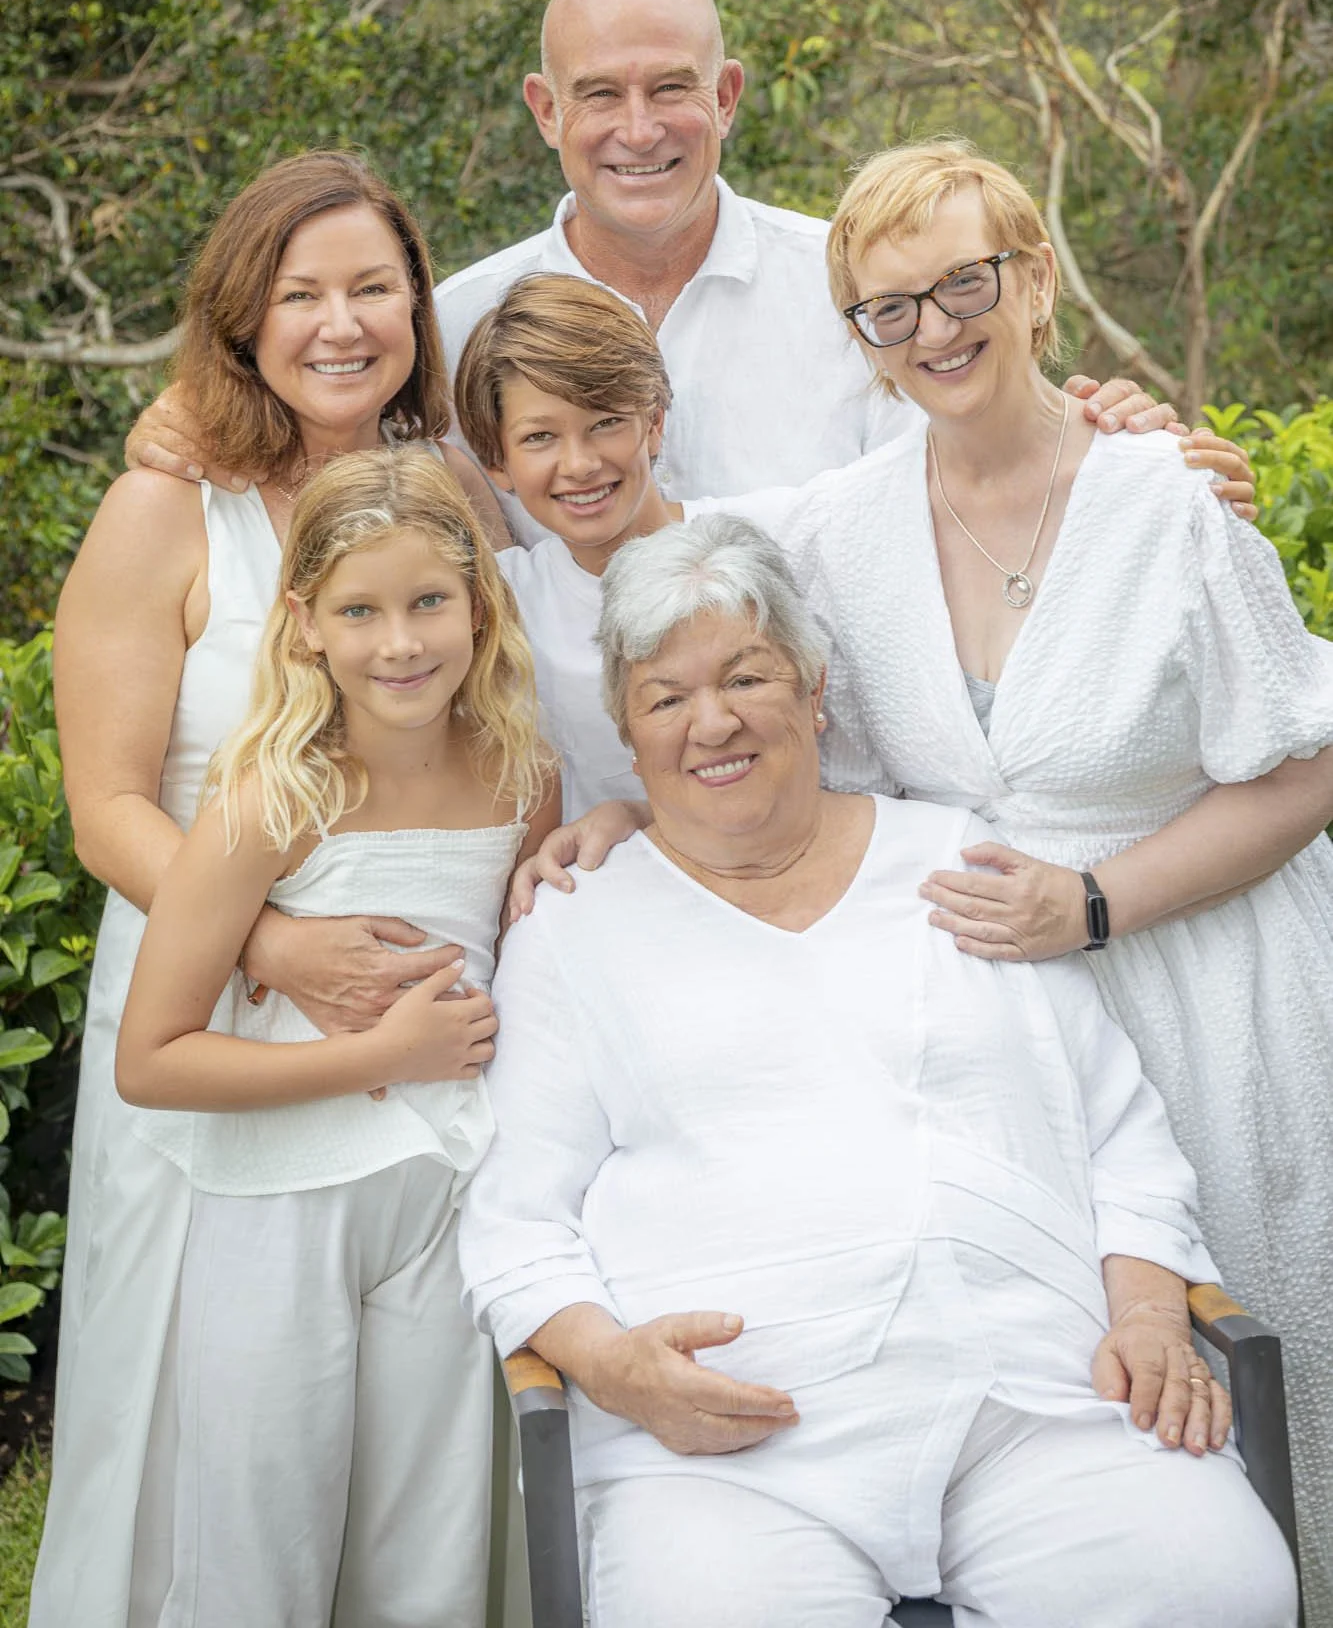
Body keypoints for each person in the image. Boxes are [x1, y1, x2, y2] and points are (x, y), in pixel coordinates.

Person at [530, 139, 1333, 1616]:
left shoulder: (1164, 503)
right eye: (887, 308)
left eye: (963, 285)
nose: (933, 330)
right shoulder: (840, 525)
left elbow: (1305, 766)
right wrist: (635, 816)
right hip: (988, 1013)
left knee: (1247, 1361)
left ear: (1033, 281)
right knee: (1066, 1366)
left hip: (1206, 987)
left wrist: (1095, 904)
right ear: (859, 334)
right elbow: (692, 630)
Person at [459, 516, 1297, 1628]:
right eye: (665, 697)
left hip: (1035, 1395)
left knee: (1222, 1590)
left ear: (814, 691)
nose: (711, 722)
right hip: (726, 1448)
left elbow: (1118, 1129)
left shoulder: (956, 860)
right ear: (625, 726)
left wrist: (1147, 1311)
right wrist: (613, 1366)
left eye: (746, 676)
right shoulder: (575, 927)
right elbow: (515, 1220)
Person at [31, 152, 502, 1628]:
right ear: (243, 321)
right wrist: (274, 941)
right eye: (301, 295)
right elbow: (107, 804)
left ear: (418, 308)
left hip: (417, 1060)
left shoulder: (453, 496)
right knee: (201, 1417)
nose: (340, 324)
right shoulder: (165, 509)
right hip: (207, 1000)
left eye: (373, 288)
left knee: (413, 1453)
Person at [120, 0, 1258, 532]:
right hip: (563, 826)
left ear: (727, 95)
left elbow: (993, 443)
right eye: (597, 94)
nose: (638, 129)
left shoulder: (857, 287)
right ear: (544, 111)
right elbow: (325, 439)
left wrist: (1127, 456)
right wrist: (194, 414)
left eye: (671, 87)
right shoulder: (450, 322)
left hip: (846, 792)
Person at [113, 446, 558, 1625]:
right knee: (260, 1534)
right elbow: (149, 1058)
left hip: (446, 1199)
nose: (399, 642)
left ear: (479, 603)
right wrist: (377, 1056)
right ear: (304, 622)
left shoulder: (523, 777)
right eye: (358, 610)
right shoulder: (270, 798)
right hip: (282, 1204)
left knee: (429, 1544)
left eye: (428, 601)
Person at [454, 271, 679, 814]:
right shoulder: (499, 601)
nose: (579, 465)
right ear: (496, 461)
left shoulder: (760, 544)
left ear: (653, 424)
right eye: (539, 437)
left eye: (605, 422)